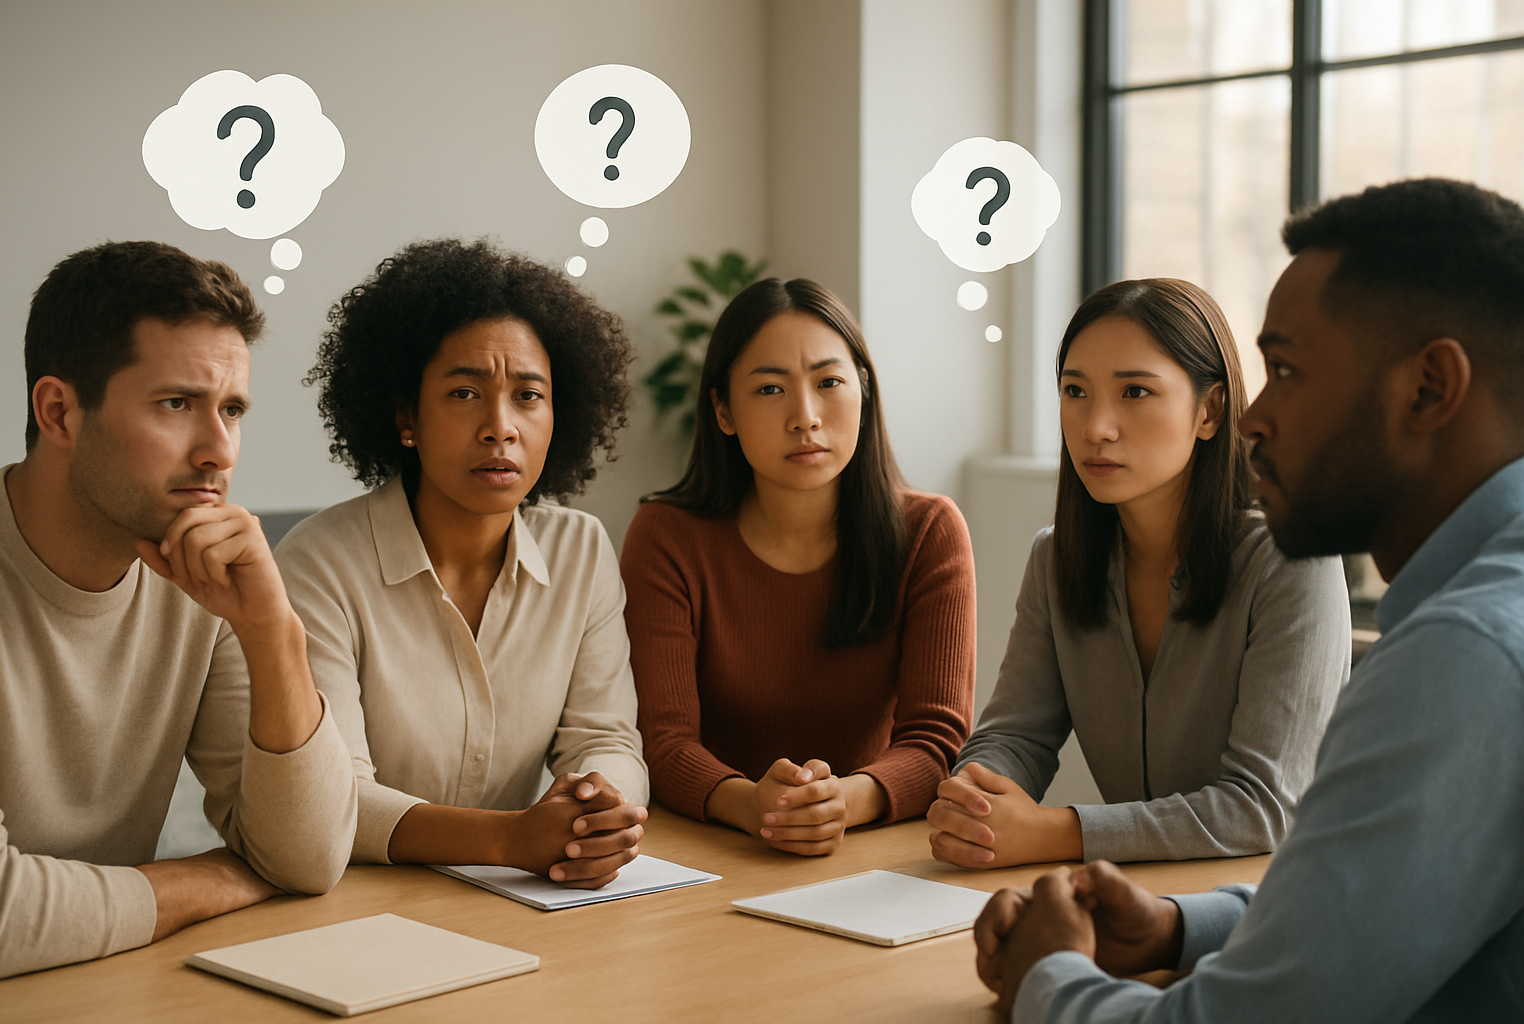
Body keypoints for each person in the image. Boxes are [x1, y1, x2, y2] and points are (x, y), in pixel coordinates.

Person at [975, 177, 1524, 1022]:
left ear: (1427, 389)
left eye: (1289, 371)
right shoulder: (1479, 616)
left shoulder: (1468, 652)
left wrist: (1049, 978)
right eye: (1075, 391)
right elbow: (1365, 907)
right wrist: (1173, 929)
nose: (1256, 417)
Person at [0, 241, 356, 980]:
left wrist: (273, 632)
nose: (219, 450)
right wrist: (217, 878)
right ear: (59, 411)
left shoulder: (203, 577)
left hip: (102, 981)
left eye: (231, 409)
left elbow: (309, 857)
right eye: (176, 404)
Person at [930, 279, 1348, 868]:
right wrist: (974, 797)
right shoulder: (1056, 560)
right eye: (1075, 391)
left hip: (1277, 905)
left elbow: (1261, 808)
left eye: (1134, 392)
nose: (1096, 426)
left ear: (1210, 410)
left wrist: (1057, 832)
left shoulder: (1291, 559)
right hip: (1138, 896)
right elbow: (1016, 737)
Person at [277, 239, 648, 888]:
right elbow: (332, 800)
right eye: (464, 393)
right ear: (405, 418)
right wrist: (511, 839)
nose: (500, 427)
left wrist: (598, 808)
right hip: (352, 903)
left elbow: (607, 739)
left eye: (528, 396)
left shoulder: (580, 549)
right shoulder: (318, 564)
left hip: (521, 895)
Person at [620, 277, 975, 856]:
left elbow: (936, 740)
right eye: (768, 390)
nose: (805, 417)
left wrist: (845, 801)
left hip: (868, 848)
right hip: (706, 848)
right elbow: (662, 741)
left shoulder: (929, 532)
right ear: (723, 411)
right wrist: (752, 804)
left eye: (829, 382)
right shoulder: (666, 537)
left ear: (864, 391)